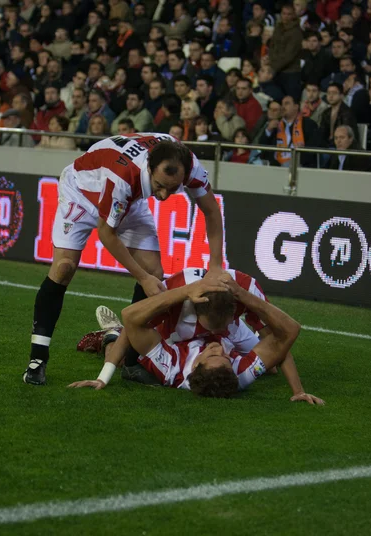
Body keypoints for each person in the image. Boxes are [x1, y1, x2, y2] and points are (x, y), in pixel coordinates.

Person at [23, 136, 224, 385]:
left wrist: (216, 264)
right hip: (82, 193)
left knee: (155, 270)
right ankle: (38, 359)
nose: (163, 195)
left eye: (173, 189)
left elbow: (212, 210)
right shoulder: (123, 175)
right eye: (160, 185)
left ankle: (131, 362)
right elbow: (107, 234)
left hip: (129, 201)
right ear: (148, 167)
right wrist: (142, 278)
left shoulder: (190, 165)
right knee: (64, 268)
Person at [71, 267, 323, 404]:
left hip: (184, 334)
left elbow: (132, 317)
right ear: (233, 367)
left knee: (131, 358)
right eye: (226, 356)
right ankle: (113, 337)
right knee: (271, 368)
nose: (217, 347)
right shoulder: (241, 374)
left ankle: (110, 336)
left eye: (211, 354)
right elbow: (287, 333)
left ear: (194, 368)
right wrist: (298, 391)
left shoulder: (172, 368)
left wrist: (103, 378)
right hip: (208, 320)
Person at [259, 95, 319, 167]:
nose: (283, 107)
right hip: (275, 166)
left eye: (287, 103)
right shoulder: (275, 124)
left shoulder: (308, 124)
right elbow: (262, 147)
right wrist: (268, 130)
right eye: (282, 104)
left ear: (296, 106)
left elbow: (313, 149)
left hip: (300, 166)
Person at [268, 4, 303, 101]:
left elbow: (289, 55)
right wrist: (272, 61)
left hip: (290, 73)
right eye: (284, 14)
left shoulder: (296, 32)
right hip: (277, 71)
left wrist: (273, 67)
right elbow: (272, 46)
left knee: (291, 101)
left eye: (289, 14)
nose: (286, 16)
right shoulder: (278, 27)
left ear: (293, 15)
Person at [319, 82, 359, 148]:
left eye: (334, 93)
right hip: (328, 145)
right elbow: (322, 133)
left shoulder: (347, 112)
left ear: (341, 95)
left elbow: (347, 135)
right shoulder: (326, 112)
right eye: (328, 93)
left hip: (342, 146)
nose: (331, 96)